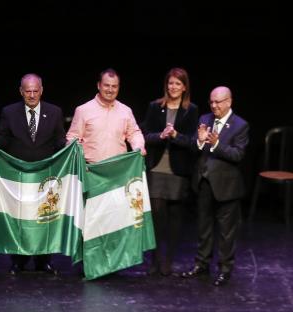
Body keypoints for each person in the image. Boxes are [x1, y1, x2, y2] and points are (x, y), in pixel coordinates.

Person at [0, 73, 66, 276]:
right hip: (18, 176)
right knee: (20, 219)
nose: (31, 95)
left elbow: (59, 141)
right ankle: (18, 260)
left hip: (45, 177)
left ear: (41, 90)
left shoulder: (54, 112)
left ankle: (43, 260)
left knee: (44, 218)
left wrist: (71, 146)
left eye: (35, 91)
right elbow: (5, 139)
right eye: (27, 91)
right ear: (21, 91)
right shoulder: (9, 112)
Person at [181, 86, 248, 286]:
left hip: (226, 186)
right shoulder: (204, 119)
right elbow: (195, 146)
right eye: (211, 101)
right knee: (204, 227)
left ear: (229, 102)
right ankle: (201, 265)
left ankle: (225, 270)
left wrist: (217, 145)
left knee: (226, 232)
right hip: (204, 181)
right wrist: (200, 142)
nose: (214, 105)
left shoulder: (240, 125)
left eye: (218, 102)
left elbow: (238, 155)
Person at [139, 68, 199, 276]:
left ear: (184, 87)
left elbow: (194, 143)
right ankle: (155, 259)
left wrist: (175, 135)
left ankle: (168, 260)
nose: (173, 87)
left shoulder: (191, 110)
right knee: (157, 216)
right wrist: (161, 136)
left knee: (175, 216)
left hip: (179, 170)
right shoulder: (155, 107)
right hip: (157, 168)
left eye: (178, 84)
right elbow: (144, 135)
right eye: (170, 83)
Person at [66, 68, 145, 163]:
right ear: (99, 85)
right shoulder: (83, 110)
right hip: (90, 170)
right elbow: (73, 138)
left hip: (119, 168)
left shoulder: (126, 111)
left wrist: (139, 147)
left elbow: (134, 133)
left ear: (118, 87)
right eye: (106, 85)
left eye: (114, 86)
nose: (110, 90)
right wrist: (76, 156)